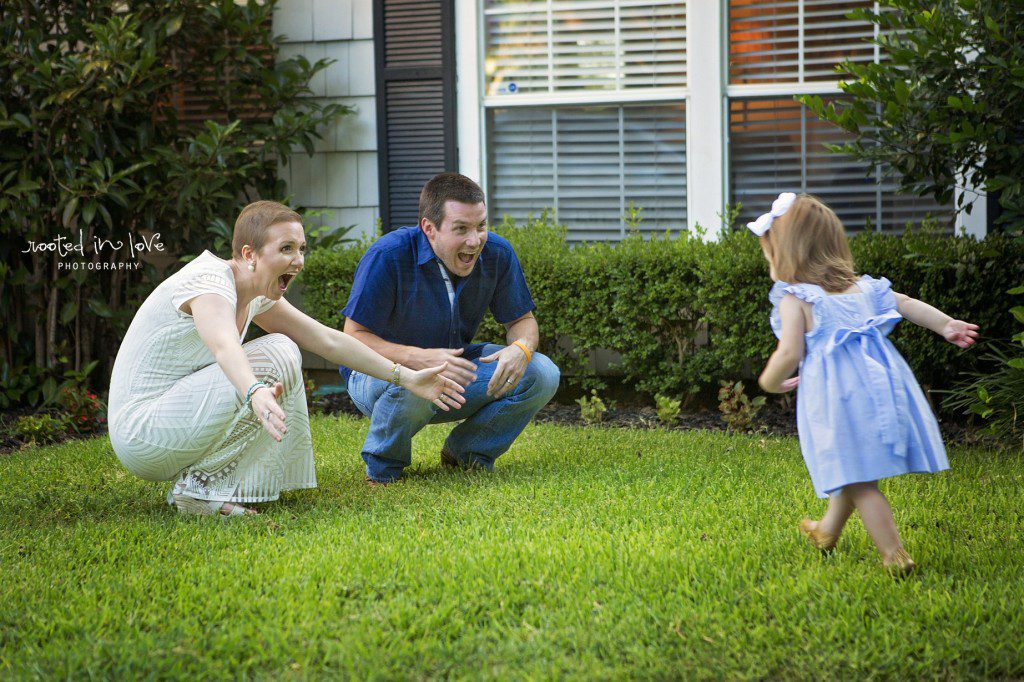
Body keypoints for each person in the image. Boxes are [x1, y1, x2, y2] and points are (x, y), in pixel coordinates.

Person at [108, 200, 465, 517]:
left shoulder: (256, 295)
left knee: (283, 348)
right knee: (277, 350)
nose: (298, 260)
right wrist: (254, 391)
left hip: (172, 421)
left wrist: (405, 376)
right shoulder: (209, 283)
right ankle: (197, 492)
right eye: (286, 249)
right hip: (143, 433)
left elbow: (328, 340)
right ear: (250, 255)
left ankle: (215, 487)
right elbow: (224, 347)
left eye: (301, 248)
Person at [750, 192, 979, 576]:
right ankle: (826, 531)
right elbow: (905, 303)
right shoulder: (862, 289)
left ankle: (894, 554)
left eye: (769, 252)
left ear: (786, 254)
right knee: (852, 468)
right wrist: (945, 324)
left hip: (837, 400)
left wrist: (769, 382)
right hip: (880, 390)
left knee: (859, 480)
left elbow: (788, 352)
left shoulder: (797, 298)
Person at [341, 173, 560, 484]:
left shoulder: (497, 253)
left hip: (452, 368)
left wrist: (520, 349)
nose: (475, 240)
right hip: (377, 376)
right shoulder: (388, 255)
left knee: (542, 372)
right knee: (415, 378)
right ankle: (383, 470)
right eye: (461, 229)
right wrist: (418, 359)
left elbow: (522, 321)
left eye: (481, 226)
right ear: (429, 229)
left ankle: (466, 454)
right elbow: (354, 337)